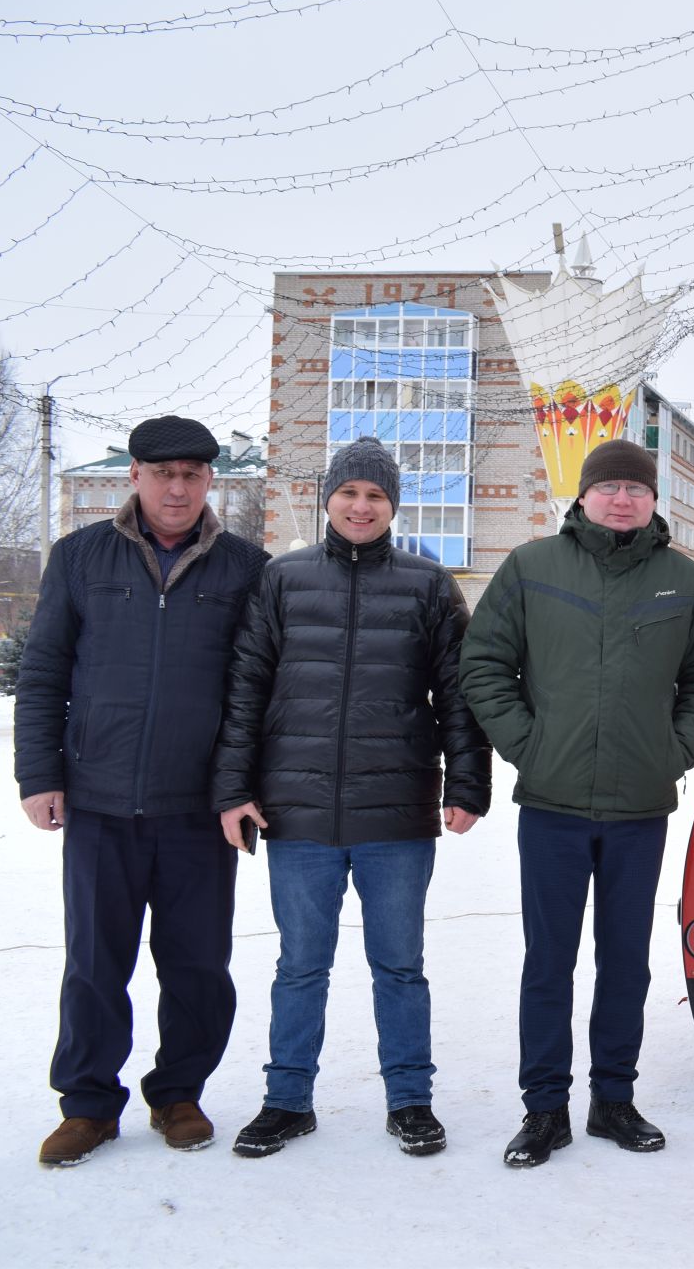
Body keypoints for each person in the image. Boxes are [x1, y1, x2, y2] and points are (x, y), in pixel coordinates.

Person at [209, 436, 490, 1158]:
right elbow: (245, 690)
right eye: (350, 494)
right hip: (296, 813)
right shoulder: (283, 579)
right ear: (327, 500)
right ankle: (286, 1099)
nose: (361, 507)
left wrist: (467, 783)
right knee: (301, 965)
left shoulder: (429, 585)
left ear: (392, 505)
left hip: (395, 813)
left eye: (375, 496)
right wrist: (234, 789)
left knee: (400, 964)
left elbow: (458, 696)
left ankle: (411, 1100)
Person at [459, 439, 694, 1168]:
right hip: (552, 804)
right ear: (582, 496)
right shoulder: (532, 568)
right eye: (608, 486)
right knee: (548, 962)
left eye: (635, 489)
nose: (622, 499)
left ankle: (614, 1099)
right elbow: (483, 664)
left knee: (625, 963)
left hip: (639, 807)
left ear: (653, 501)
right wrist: (529, 745)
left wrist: (672, 752)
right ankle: (544, 1110)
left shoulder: (681, 580)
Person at [15, 416, 268, 1165]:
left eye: (193, 474)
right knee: (95, 962)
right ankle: (89, 1104)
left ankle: (179, 1092)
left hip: (199, 810)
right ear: (135, 475)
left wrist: (238, 790)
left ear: (210, 480)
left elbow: (253, 694)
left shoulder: (244, 568)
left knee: (196, 964)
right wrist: (41, 775)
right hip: (98, 799)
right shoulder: (81, 557)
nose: (178, 488)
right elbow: (44, 673)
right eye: (164, 474)